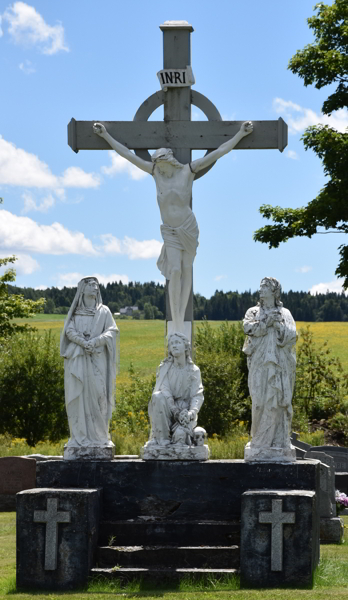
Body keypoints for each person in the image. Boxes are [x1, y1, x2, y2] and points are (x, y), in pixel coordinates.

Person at [93, 120, 253, 334]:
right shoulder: (156, 174)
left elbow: (219, 152)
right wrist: (105, 136)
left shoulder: (188, 171)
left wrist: (240, 135)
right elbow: (127, 155)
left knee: (187, 270)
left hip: (188, 227)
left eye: (162, 166)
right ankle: (176, 319)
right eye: (157, 167)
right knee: (174, 270)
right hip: (169, 229)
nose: (160, 170)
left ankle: (181, 318)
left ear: (169, 161)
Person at [60, 277, 119, 455]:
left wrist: (95, 342)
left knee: (99, 396)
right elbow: (68, 331)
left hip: (97, 360)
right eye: (91, 285)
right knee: (79, 398)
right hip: (78, 360)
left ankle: (100, 437)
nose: (95, 288)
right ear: (82, 289)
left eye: (97, 285)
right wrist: (83, 342)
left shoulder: (104, 311)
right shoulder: (76, 313)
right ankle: (79, 436)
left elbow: (112, 331)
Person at [243, 277, 296, 459]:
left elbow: (291, 335)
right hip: (259, 362)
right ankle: (258, 440)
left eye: (265, 286)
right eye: (261, 286)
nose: (261, 289)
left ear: (274, 291)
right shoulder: (253, 312)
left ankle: (279, 441)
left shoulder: (284, 313)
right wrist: (266, 322)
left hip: (279, 364)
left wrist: (278, 325)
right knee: (258, 401)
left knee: (278, 401)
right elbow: (247, 328)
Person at [146, 332, 204, 447]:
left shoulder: (194, 370)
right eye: (171, 343)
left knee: (180, 438)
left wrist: (191, 413)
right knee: (157, 396)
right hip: (168, 409)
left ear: (186, 347)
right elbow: (165, 392)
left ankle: (180, 435)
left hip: (185, 412)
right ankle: (162, 439)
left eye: (177, 343)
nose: (174, 345)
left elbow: (197, 395)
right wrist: (175, 411)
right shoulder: (165, 368)